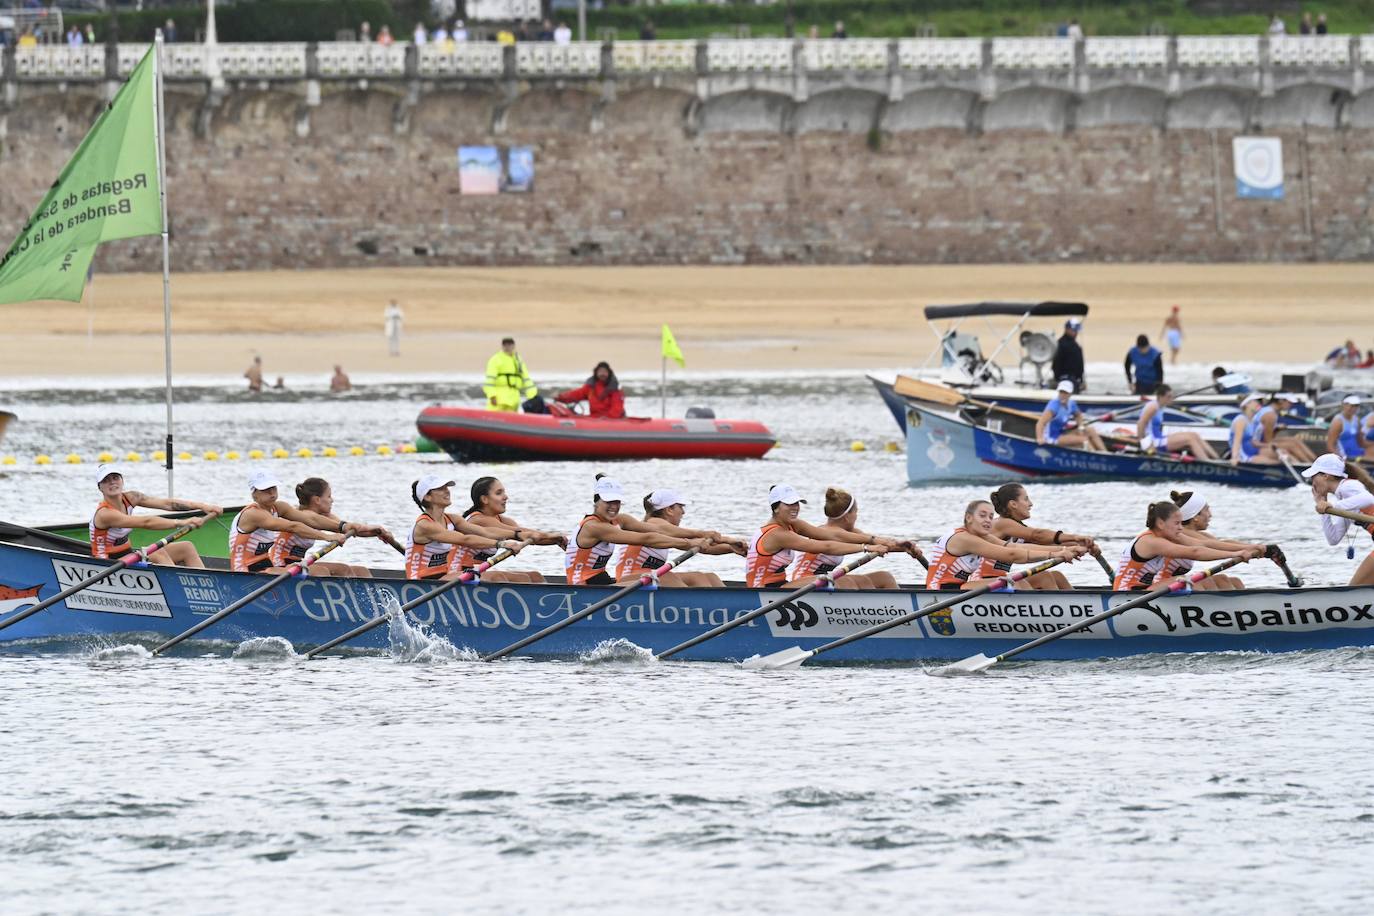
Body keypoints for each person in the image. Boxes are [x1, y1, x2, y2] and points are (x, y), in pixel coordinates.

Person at [566, 476, 706, 586]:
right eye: (609, 502)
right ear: (596, 502)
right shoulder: (594, 527)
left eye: (617, 502)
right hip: (583, 588)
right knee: (664, 578)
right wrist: (688, 543)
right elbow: (646, 538)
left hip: (602, 582)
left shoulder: (619, 520)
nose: (614, 507)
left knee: (697, 577)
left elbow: (657, 530)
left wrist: (705, 535)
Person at [746, 485, 888, 588]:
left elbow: (831, 536)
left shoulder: (793, 524)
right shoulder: (777, 534)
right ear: (775, 507)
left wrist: (877, 542)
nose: (795, 507)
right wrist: (866, 548)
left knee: (874, 579)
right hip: (762, 591)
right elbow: (825, 546)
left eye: (797, 503)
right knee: (838, 581)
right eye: (789, 504)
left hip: (781, 586)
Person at [927, 500, 1083, 592]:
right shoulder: (964, 538)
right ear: (969, 518)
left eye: (990, 516)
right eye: (982, 516)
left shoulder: (983, 536)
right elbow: (1011, 556)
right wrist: (1054, 555)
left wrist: (1065, 550)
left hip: (961, 587)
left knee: (1051, 576)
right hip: (942, 593)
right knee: (1016, 583)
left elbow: (1015, 548)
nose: (988, 520)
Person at [788, 487, 924, 590]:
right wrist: (866, 547)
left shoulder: (850, 532)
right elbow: (870, 543)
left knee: (884, 577)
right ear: (848, 516)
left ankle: (900, 616)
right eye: (856, 512)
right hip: (804, 583)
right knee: (857, 582)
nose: (857, 515)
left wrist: (906, 547)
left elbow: (878, 543)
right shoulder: (828, 532)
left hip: (824, 580)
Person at [91, 466, 220, 567]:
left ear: (122, 480)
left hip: (127, 555)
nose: (112, 483)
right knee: (157, 553)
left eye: (115, 478)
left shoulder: (131, 497)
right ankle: (177, 588)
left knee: (186, 547)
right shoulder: (105, 514)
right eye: (106, 480)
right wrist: (182, 522)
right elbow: (146, 522)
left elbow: (167, 504)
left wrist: (203, 506)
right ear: (100, 488)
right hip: (107, 563)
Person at [1113, 501, 1257, 591]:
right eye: (1177, 523)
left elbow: (1201, 544)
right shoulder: (1151, 541)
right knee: (1188, 581)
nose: (1181, 528)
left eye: (1181, 523)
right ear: (1161, 523)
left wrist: (1246, 549)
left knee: (1223, 580)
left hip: (1147, 590)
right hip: (1127, 594)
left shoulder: (1169, 535)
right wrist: (1235, 554)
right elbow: (1195, 552)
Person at [405, 476, 526, 581]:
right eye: (441, 489)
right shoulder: (425, 525)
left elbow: (485, 531)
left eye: (447, 487)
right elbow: (465, 539)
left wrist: (517, 535)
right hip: (421, 582)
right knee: (494, 577)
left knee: (531, 577)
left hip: (444, 577)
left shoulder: (452, 519)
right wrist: (501, 544)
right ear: (427, 497)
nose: (447, 491)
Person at [618, 489, 746, 588]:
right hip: (629, 582)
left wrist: (732, 548)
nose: (683, 512)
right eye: (680, 507)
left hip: (646, 578)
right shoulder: (655, 523)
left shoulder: (667, 530)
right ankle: (706, 610)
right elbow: (696, 537)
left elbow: (705, 548)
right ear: (669, 510)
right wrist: (728, 540)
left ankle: (726, 607)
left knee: (710, 577)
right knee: (692, 578)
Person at [269, 478, 392, 578]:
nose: (332, 500)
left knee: (360, 571)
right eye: (329, 496)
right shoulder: (304, 515)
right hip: (279, 565)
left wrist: (378, 532)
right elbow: (343, 527)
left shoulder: (324, 516)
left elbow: (351, 529)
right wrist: (330, 536)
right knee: (321, 571)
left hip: (299, 563)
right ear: (317, 500)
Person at [230, 472, 348, 575]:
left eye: (273, 488)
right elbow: (293, 526)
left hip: (267, 567)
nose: (272, 493)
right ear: (254, 494)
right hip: (244, 571)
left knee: (344, 569)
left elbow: (310, 519)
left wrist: (345, 527)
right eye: (265, 490)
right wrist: (328, 537)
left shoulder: (279, 507)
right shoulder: (253, 514)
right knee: (319, 572)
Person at [454, 476, 568, 583]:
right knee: (506, 578)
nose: (505, 497)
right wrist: (552, 535)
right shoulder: (478, 519)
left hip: (476, 572)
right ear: (484, 499)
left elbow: (530, 537)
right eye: (499, 493)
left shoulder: (502, 520)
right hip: (456, 573)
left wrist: (557, 540)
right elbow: (523, 533)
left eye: (504, 492)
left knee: (535, 576)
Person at [986, 483, 1099, 589]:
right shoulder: (1003, 523)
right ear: (1013, 504)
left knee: (1057, 576)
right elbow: (1038, 535)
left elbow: (1047, 543)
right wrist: (1075, 537)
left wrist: (1084, 545)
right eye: (1026, 499)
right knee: (1044, 577)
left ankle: (1078, 607)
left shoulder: (1017, 530)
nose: (1031, 504)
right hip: (982, 581)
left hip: (998, 578)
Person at [1166, 490, 1265, 590]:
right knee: (1207, 582)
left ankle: (1242, 604)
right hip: (1156, 586)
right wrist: (1244, 550)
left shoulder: (1197, 535)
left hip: (1170, 583)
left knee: (1230, 580)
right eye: (1207, 510)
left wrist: (1254, 548)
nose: (1210, 515)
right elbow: (1209, 545)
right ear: (1196, 516)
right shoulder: (1182, 533)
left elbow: (1221, 544)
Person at [1306, 453, 1374, 585]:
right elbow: (1333, 538)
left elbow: (1368, 498)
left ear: (1326, 475)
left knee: (1354, 591)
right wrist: (1325, 508)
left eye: (1313, 476)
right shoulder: (1344, 500)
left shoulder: (1347, 486)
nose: (1312, 482)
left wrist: (1333, 506)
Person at [1137, 384, 1218, 460]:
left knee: (1194, 435)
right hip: (1153, 442)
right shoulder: (1153, 407)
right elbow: (1141, 423)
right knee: (1190, 439)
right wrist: (1145, 444)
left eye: (1172, 396)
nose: (1171, 399)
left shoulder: (1159, 406)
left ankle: (1217, 459)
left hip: (1159, 438)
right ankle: (1207, 462)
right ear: (1160, 397)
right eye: (1168, 397)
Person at [1036, 379, 1106, 452]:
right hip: (1051, 437)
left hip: (1062, 432)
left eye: (1065, 393)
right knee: (1084, 440)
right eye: (1061, 392)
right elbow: (1040, 423)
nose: (1062, 395)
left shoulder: (1071, 404)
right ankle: (1097, 456)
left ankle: (1105, 453)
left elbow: (1078, 415)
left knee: (1090, 430)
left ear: (1070, 394)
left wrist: (1080, 427)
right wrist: (1040, 438)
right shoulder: (1053, 406)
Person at [1249, 392, 1317, 464]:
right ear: (1281, 401)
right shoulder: (1270, 415)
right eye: (1289, 402)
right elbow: (1268, 441)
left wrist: (1276, 428)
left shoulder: (1268, 410)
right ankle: (1310, 465)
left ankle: (1314, 462)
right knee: (1292, 445)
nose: (1291, 404)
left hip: (1258, 442)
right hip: (1255, 447)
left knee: (1294, 440)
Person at [556, 361, 625, 419]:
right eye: (600, 371)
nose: (602, 374)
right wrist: (560, 397)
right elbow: (577, 394)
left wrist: (608, 418)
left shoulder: (614, 388)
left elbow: (617, 407)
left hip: (610, 420)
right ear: (596, 373)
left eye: (605, 372)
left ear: (609, 373)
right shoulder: (590, 387)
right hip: (595, 418)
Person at [484, 337, 537, 412]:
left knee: (512, 417)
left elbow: (526, 379)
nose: (507, 347)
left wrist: (532, 396)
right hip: (499, 398)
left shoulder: (518, 360)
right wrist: (492, 395)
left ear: (513, 346)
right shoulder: (496, 359)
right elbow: (489, 381)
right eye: (505, 345)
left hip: (514, 399)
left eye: (509, 345)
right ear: (502, 346)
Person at [1229, 394, 1274, 465]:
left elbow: (1253, 442)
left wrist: (1271, 446)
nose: (1260, 404)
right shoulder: (1241, 420)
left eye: (1261, 402)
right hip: (1243, 456)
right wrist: (1235, 458)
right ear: (1247, 404)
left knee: (1282, 454)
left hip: (1252, 451)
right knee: (1275, 462)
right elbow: (1237, 442)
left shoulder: (1253, 421)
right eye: (1257, 401)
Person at [1327, 395, 1367, 460]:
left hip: (1357, 456)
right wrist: (1341, 459)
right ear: (1344, 405)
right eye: (1351, 405)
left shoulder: (1357, 420)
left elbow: (1360, 442)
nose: (1354, 408)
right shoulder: (1338, 422)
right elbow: (1330, 446)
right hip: (1344, 457)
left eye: (1356, 406)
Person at [1051, 317, 1085, 392]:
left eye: (1076, 330)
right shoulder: (1061, 344)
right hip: (1065, 380)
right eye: (1074, 330)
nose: (1076, 332)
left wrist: (1081, 380)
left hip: (1074, 380)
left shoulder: (1074, 345)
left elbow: (1079, 366)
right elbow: (1057, 364)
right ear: (1067, 329)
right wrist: (1058, 378)